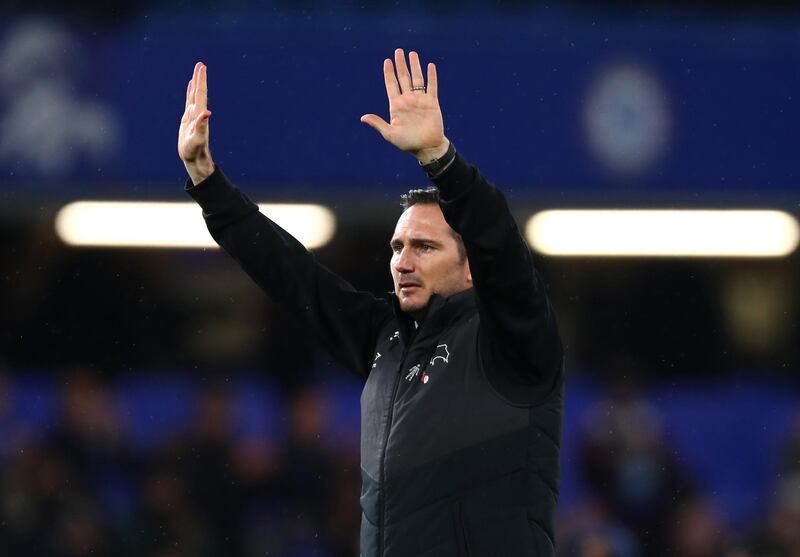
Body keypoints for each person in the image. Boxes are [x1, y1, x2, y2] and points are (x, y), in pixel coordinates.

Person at [178, 49, 564, 557]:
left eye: (425, 247)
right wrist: (208, 185)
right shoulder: (385, 336)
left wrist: (440, 161)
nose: (403, 261)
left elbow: (501, 244)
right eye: (397, 248)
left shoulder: (510, 338)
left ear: (472, 266)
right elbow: (293, 275)